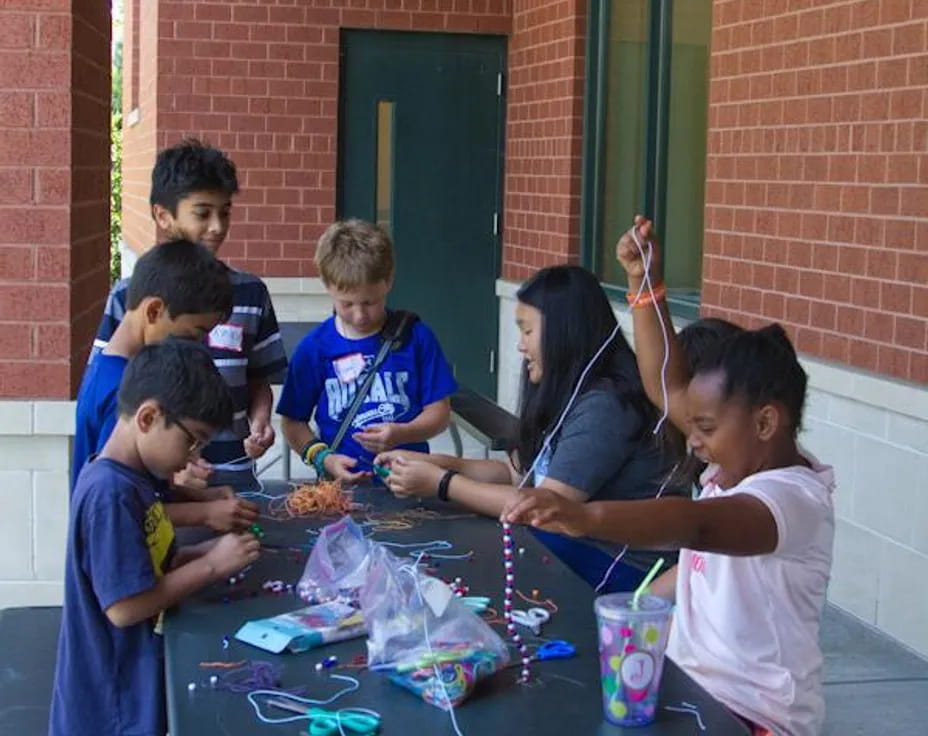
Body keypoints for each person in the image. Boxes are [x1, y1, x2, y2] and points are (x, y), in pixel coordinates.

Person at [501, 217, 835, 736]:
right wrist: (645, 285)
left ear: (765, 421)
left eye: (703, 427)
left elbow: (695, 525)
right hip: (690, 689)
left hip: (754, 717)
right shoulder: (735, 462)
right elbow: (665, 388)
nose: (690, 439)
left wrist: (587, 516)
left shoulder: (791, 499)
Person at [377, 265, 685, 591]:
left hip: (620, 567)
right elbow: (516, 474)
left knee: (475, 560)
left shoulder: (606, 403)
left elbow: (542, 505)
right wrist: (438, 464)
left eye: (527, 331)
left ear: (562, 332)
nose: (520, 346)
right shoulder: (565, 390)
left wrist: (443, 484)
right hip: (574, 545)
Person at [50, 340, 261, 736]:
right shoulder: (108, 493)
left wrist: (204, 550)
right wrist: (212, 565)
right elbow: (125, 606)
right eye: (192, 439)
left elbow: (151, 564)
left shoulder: (137, 479)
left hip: (134, 684)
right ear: (147, 417)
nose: (194, 456)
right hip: (111, 704)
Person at [90, 139, 287, 492]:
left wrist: (260, 421)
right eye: (202, 212)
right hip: (158, 484)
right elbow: (112, 395)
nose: (217, 226)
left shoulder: (251, 292)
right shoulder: (129, 296)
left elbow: (259, 379)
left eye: (225, 212)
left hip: (233, 471)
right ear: (163, 216)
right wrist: (165, 469)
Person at [72, 240, 258, 531]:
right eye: (193, 333)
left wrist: (200, 497)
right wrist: (206, 514)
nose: (197, 346)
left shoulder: (127, 372)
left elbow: (145, 486)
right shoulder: (120, 392)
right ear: (154, 311)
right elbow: (122, 507)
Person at [277, 219, 457, 481]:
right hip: (341, 486)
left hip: (410, 482)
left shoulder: (417, 338)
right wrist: (322, 458)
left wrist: (402, 433)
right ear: (327, 285)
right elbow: (293, 422)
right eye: (347, 304)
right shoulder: (314, 349)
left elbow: (439, 413)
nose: (360, 315)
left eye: (370, 302)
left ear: (388, 281)